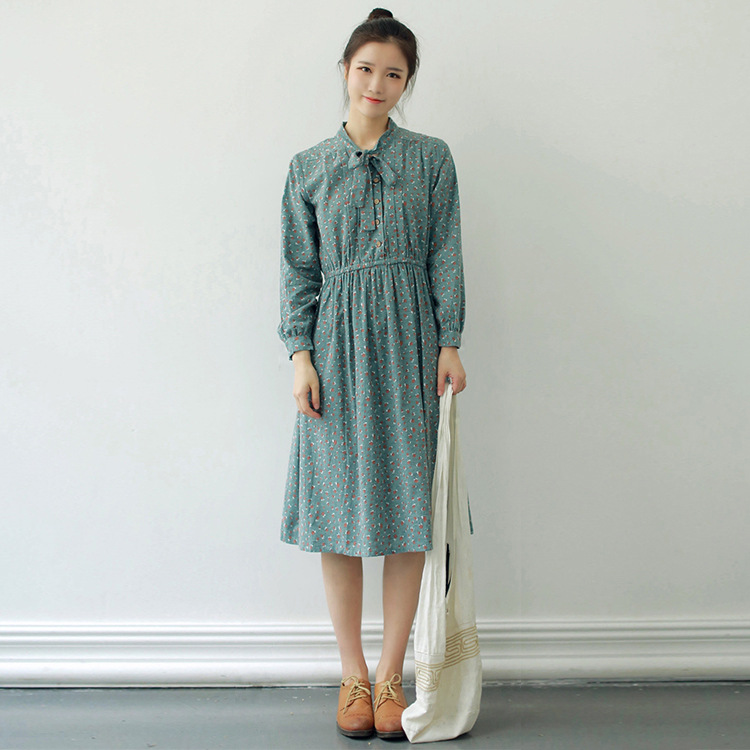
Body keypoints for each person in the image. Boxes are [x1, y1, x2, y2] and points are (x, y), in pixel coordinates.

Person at [277, 7, 467, 741]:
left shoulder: (432, 159)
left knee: (409, 511)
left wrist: (450, 341)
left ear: (407, 81)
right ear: (345, 71)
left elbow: (445, 251)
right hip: (335, 351)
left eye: (394, 73)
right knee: (337, 511)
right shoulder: (308, 167)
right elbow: (298, 269)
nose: (377, 84)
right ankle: (351, 673)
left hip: (412, 345)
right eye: (366, 69)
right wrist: (301, 355)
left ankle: (392, 676)